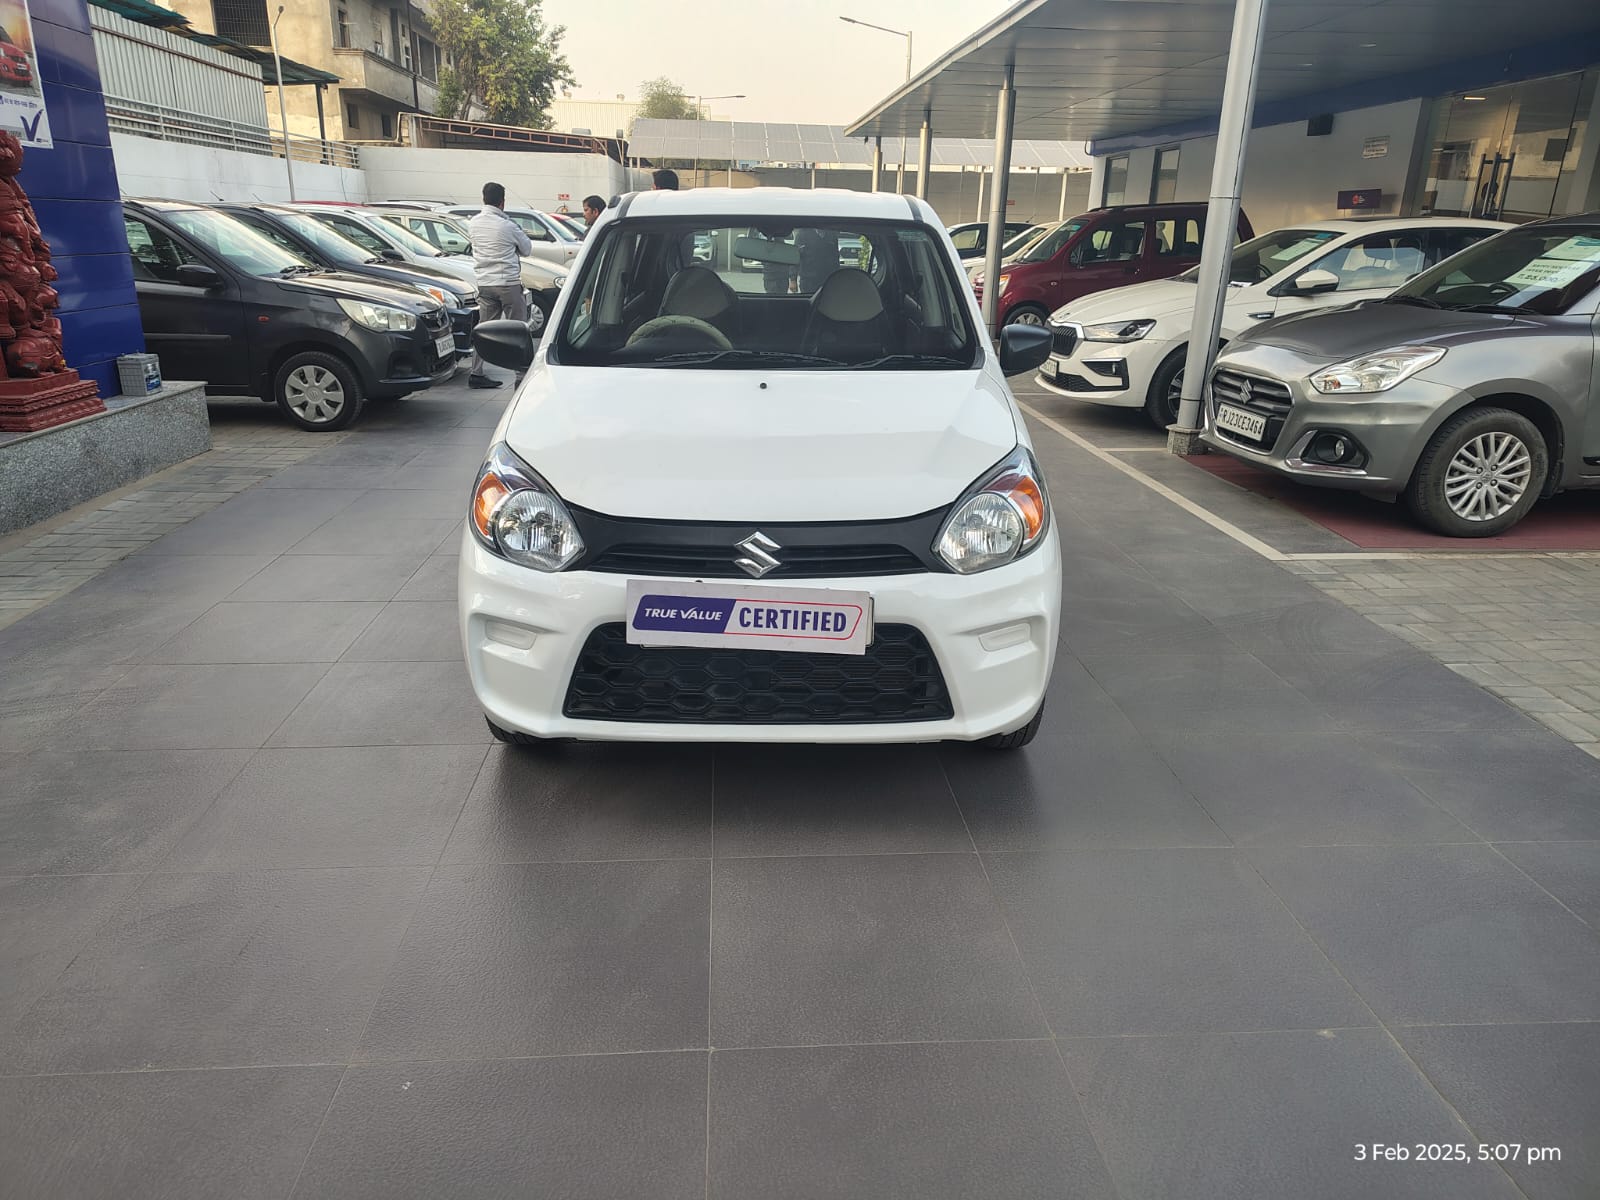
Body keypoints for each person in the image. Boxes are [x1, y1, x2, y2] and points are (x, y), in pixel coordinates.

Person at [466, 181, 533, 390]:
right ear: (502, 202)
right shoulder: (507, 225)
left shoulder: (473, 223)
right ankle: (521, 376)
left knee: (484, 330)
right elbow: (527, 249)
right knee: (517, 329)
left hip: (485, 283)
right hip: (507, 283)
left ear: (483, 198)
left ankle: (476, 373)